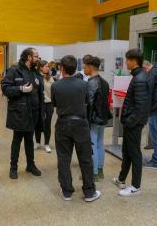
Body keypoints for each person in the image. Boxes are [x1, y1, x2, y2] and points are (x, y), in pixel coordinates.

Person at [51, 55, 101, 202]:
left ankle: (67, 191)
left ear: (61, 68)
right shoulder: (84, 85)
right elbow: (87, 102)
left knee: (64, 158)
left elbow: (55, 104)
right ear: (75, 68)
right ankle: (89, 192)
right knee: (85, 158)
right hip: (80, 124)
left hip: (62, 124)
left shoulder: (56, 85)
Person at [112, 49, 150, 197]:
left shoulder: (140, 79)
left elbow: (141, 107)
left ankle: (135, 186)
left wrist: (129, 122)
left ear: (134, 61)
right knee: (127, 152)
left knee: (135, 154)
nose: (126, 62)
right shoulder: (137, 76)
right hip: (131, 123)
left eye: (127, 60)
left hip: (133, 124)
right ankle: (122, 179)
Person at [1, 47, 43, 179]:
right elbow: (5, 88)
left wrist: (42, 112)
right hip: (19, 113)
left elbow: (39, 93)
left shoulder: (36, 73)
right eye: (36, 56)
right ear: (29, 57)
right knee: (17, 140)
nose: (38, 58)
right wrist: (20, 89)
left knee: (30, 140)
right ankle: (13, 168)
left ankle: (30, 165)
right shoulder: (14, 71)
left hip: (33, 113)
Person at [84, 56, 112, 181]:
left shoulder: (91, 83)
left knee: (93, 144)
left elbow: (89, 104)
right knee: (100, 143)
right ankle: (100, 170)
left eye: (85, 66)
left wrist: (86, 121)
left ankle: (94, 173)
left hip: (94, 119)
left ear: (90, 67)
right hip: (102, 118)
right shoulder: (104, 82)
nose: (84, 69)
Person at [34, 60, 54, 153]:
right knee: (38, 123)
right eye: (45, 66)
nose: (47, 68)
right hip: (39, 104)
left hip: (49, 104)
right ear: (40, 67)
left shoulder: (51, 78)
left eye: (48, 66)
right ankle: (37, 142)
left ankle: (46, 144)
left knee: (47, 125)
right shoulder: (37, 77)